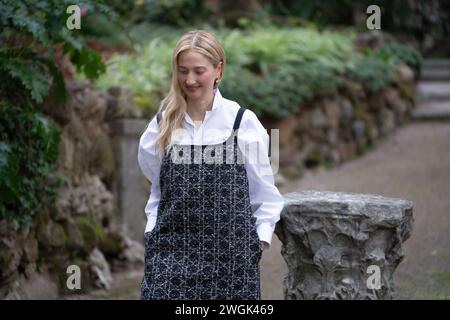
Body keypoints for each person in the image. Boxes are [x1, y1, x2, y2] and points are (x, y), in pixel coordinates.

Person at [138, 29, 284, 300]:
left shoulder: (243, 123)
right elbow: (158, 189)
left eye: (198, 71)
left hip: (232, 263)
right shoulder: (161, 126)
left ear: (219, 70)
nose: (189, 80)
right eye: (182, 71)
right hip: (170, 255)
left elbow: (265, 195)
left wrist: (257, 242)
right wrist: (152, 230)